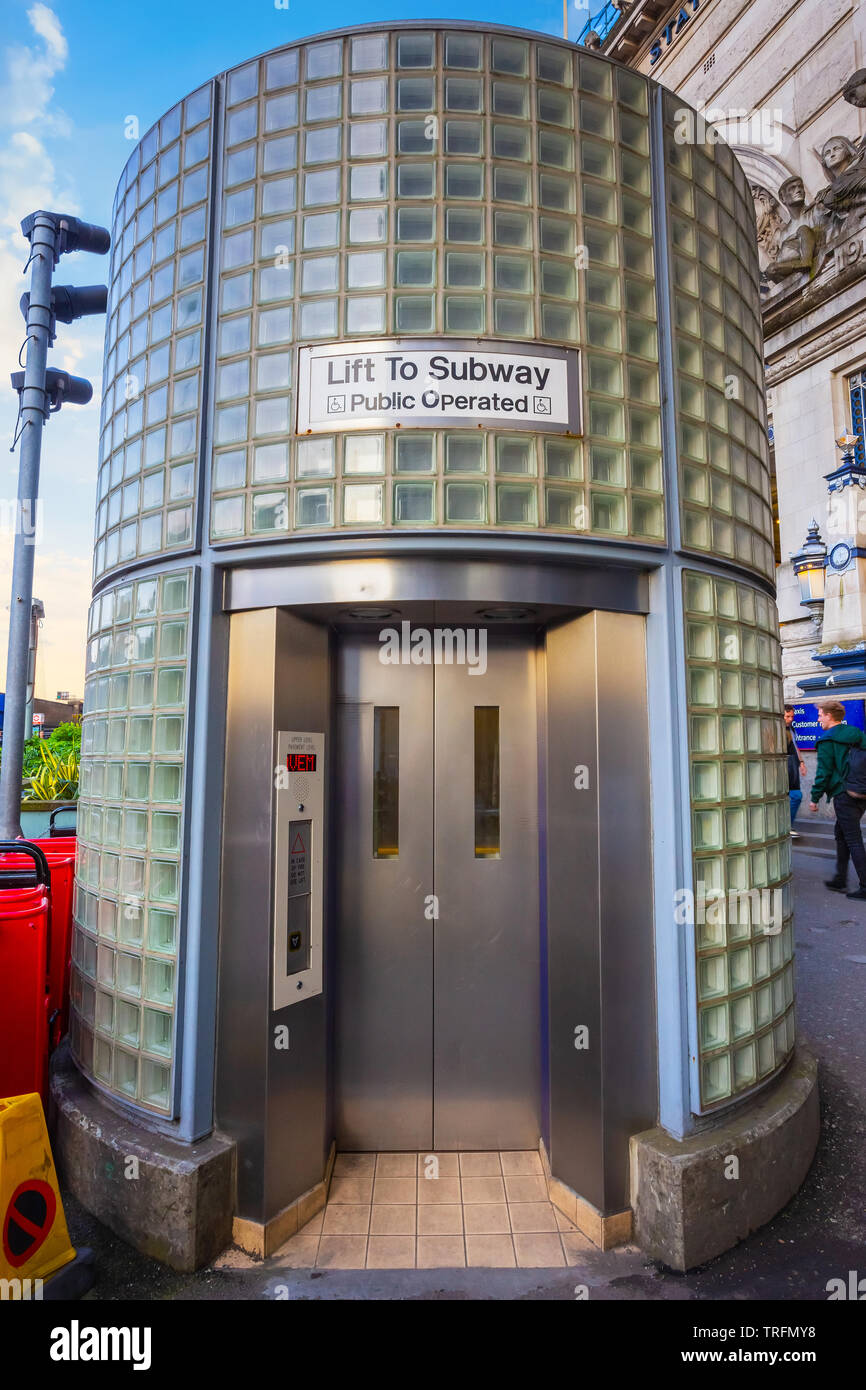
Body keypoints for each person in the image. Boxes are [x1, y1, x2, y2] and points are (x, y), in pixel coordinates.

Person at [808, 699, 866, 898]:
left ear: (829, 716)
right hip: (861, 792)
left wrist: (814, 798)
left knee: (853, 839)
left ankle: (865, 886)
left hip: (844, 794)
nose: (818, 719)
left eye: (820, 715)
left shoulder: (827, 740)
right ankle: (840, 879)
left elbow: (823, 773)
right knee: (841, 834)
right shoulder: (857, 734)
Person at [784, 705, 807, 837]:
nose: (790, 719)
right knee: (794, 796)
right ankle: (787, 826)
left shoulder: (791, 728)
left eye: (792, 716)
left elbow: (795, 746)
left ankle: (788, 825)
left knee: (796, 796)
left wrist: (802, 762)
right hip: (784, 766)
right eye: (787, 716)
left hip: (793, 765)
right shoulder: (776, 729)